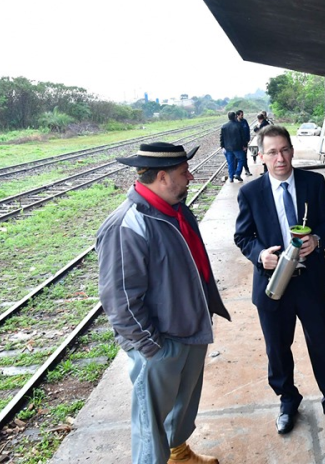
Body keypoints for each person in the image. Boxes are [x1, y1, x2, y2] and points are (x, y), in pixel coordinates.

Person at [96, 142, 230, 464]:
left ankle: (179, 453)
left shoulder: (176, 210)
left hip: (190, 328)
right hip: (161, 342)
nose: (191, 178)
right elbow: (120, 300)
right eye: (184, 173)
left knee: (183, 406)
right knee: (150, 428)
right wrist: (153, 349)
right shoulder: (127, 224)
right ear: (162, 177)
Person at [234, 125, 325, 435]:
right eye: (273, 152)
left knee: (322, 344)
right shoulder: (250, 192)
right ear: (261, 157)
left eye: (285, 150)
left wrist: (317, 240)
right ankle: (288, 401)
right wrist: (260, 254)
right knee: (277, 349)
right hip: (273, 284)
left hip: (309, 281)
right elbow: (242, 236)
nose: (281, 158)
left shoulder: (313, 182)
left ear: (293, 150)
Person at [220, 111, 245, 182]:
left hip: (228, 148)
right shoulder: (239, 125)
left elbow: (221, 137)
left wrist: (222, 146)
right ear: (235, 116)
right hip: (238, 147)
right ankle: (237, 173)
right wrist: (245, 145)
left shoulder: (224, 126)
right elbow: (243, 137)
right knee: (241, 159)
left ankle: (231, 178)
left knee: (230, 163)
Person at [235, 110, 253, 177]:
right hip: (237, 144)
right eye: (241, 115)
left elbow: (248, 130)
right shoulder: (235, 123)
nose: (242, 116)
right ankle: (236, 173)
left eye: (243, 115)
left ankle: (246, 170)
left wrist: (248, 140)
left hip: (244, 142)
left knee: (244, 157)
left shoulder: (244, 121)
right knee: (237, 158)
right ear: (237, 115)